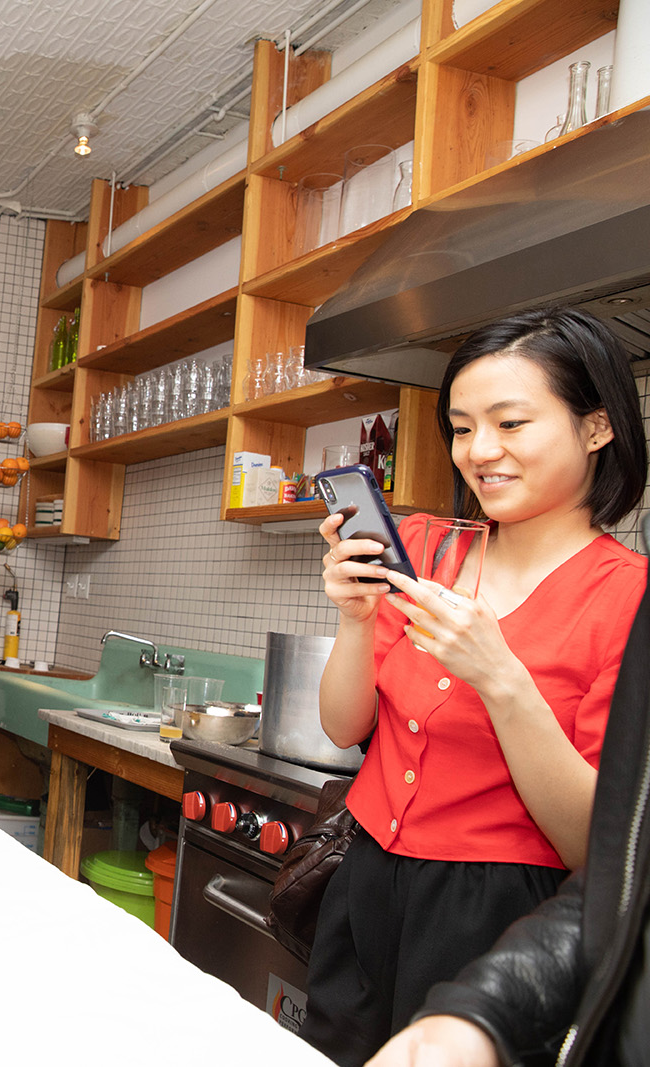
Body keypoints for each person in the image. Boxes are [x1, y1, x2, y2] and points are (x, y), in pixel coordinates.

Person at [303, 306, 648, 1065]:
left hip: (497, 912)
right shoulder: (421, 545)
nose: (479, 450)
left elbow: (594, 842)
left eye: (512, 423)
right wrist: (357, 620)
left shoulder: (629, 597)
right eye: (461, 427)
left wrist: (503, 680)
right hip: (363, 880)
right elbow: (341, 725)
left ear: (597, 428)